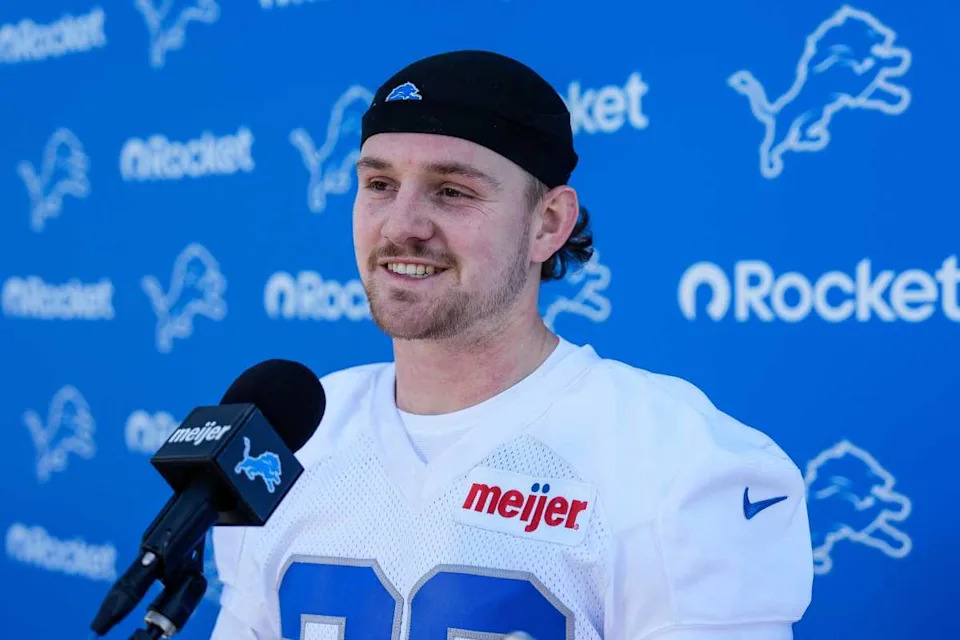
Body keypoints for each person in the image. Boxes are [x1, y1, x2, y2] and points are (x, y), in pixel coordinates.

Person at [210, 50, 812, 640]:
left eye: (452, 191)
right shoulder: (288, 440)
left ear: (548, 223)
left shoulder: (673, 459)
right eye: (380, 184)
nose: (401, 224)